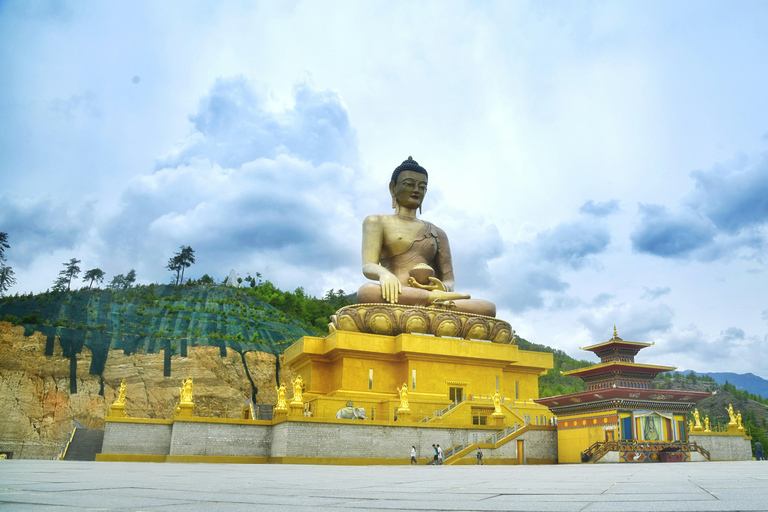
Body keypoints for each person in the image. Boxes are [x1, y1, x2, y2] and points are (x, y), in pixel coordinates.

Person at [356, 157, 496, 317]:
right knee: (367, 292)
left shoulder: (437, 232)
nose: (416, 190)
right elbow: (368, 265)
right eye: (409, 184)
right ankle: (432, 304)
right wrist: (385, 274)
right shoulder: (376, 221)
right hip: (396, 295)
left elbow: (449, 280)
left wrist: (443, 288)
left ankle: (431, 305)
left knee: (487, 308)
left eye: (422, 187)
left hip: (431, 299)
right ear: (392, 188)